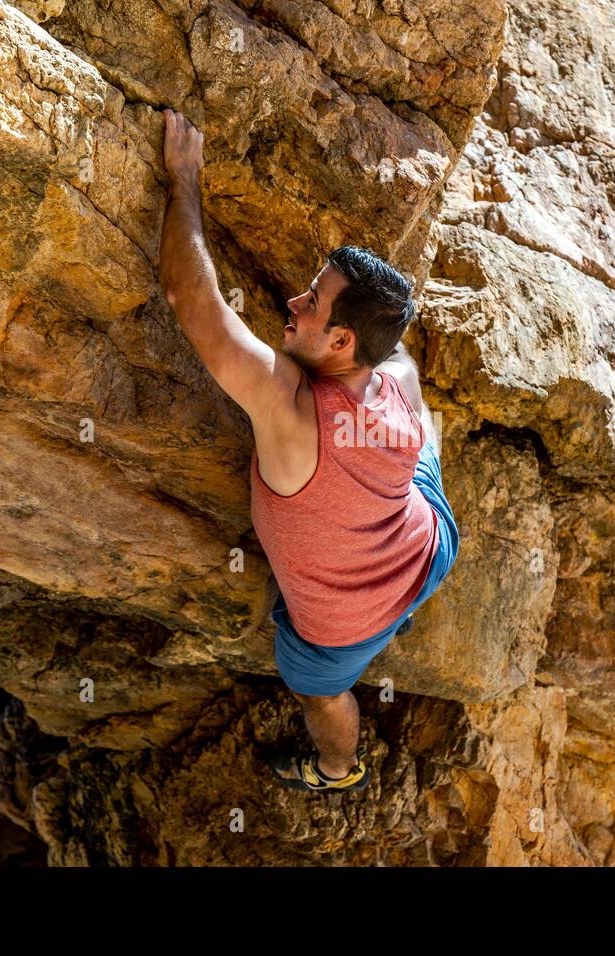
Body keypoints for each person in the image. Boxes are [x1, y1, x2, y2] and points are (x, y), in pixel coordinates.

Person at [157, 109, 460, 792]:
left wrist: (182, 179)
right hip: (431, 539)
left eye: (313, 303)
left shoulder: (290, 411)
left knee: (318, 692)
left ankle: (336, 767)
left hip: (343, 626)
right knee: (419, 440)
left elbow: (193, 300)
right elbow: (389, 344)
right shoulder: (397, 380)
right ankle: (396, 582)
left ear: (343, 342)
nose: (293, 301)